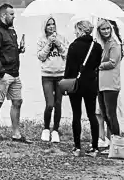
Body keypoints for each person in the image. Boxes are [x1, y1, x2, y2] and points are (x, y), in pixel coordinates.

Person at [0, 3, 26, 142]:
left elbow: (9, 50)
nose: (14, 16)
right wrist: (1, 74)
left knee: (17, 101)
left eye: (14, 14)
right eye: (11, 14)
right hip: (3, 74)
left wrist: (19, 50)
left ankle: (16, 134)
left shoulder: (11, 30)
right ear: (3, 15)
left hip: (15, 73)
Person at [64, 19, 103, 156]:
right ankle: (95, 147)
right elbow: (97, 65)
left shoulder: (74, 46)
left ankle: (77, 147)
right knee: (92, 114)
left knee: (76, 115)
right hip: (91, 84)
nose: (75, 32)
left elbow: (69, 68)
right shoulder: (97, 47)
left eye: (76, 30)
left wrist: (65, 84)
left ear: (81, 30)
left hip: (76, 84)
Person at [36, 15, 67, 143]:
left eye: (53, 24)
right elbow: (41, 56)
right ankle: (46, 128)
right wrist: (49, 44)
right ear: (45, 26)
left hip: (60, 75)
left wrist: (58, 44)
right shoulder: (41, 40)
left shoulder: (62, 38)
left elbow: (67, 54)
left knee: (58, 104)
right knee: (50, 104)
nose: (51, 26)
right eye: (48, 24)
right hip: (47, 75)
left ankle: (55, 130)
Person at [96, 19, 124, 148]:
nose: (106, 31)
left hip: (111, 84)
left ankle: (117, 141)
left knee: (111, 114)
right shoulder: (103, 44)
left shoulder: (115, 44)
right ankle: (111, 140)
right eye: (103, 29)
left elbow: (113, 62)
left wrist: (98, 66)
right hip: (101, 84)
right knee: (105, 113)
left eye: (108, 28)